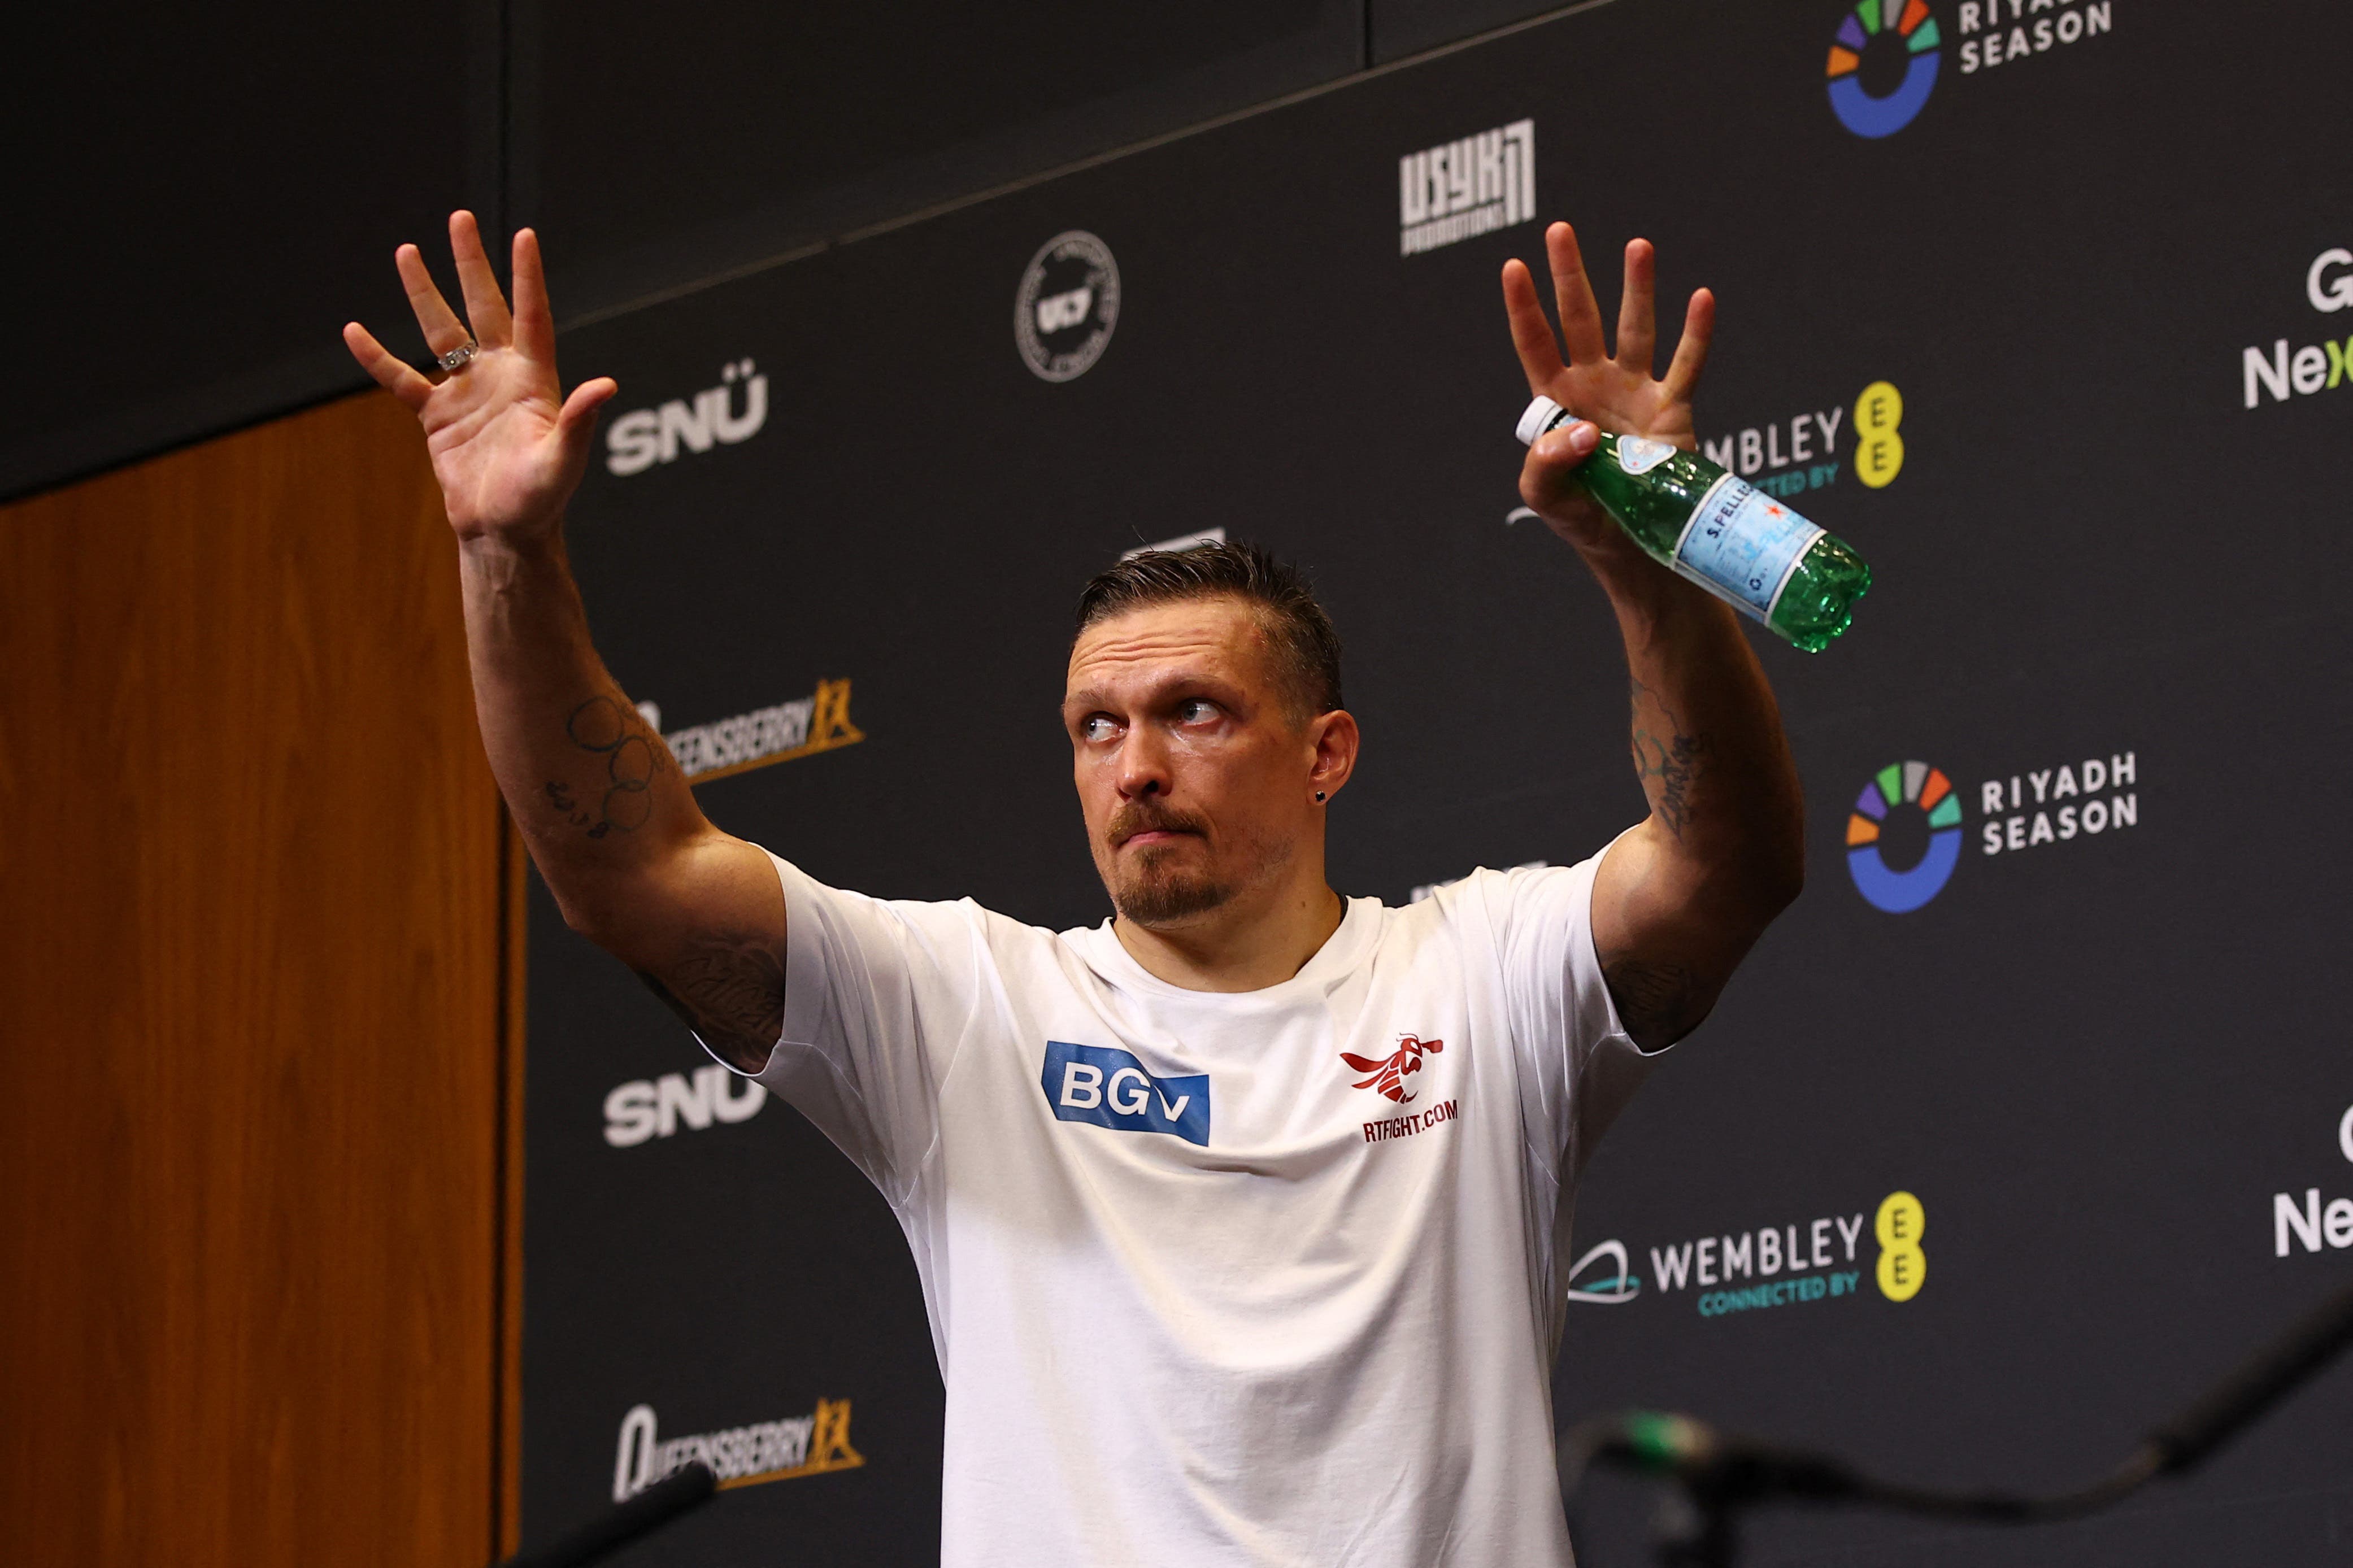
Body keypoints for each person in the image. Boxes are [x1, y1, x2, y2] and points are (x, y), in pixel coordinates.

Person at [345, 211, 1804, 1567]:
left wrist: (1645, 556)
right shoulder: (965, 1009)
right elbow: (631, 870)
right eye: (1098, 729)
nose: (1136, 767)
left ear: (1327, 755)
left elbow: (1727, 865)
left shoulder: (1486, 973)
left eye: (1197, 713)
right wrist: (505, 551)